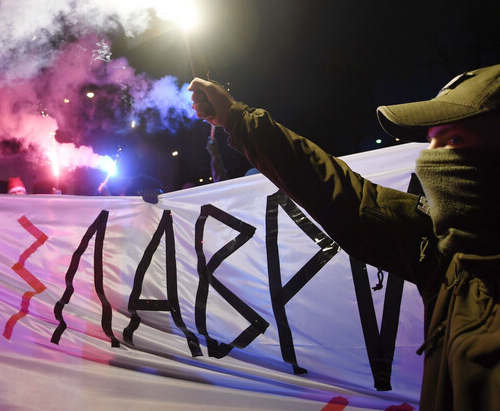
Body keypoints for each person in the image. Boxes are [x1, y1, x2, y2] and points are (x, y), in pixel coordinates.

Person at [188, 64, 500, 410]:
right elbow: (344, 196)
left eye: (455, 140)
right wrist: (237, 118)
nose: (431, 158)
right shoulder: (448, 251)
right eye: (431, 141)